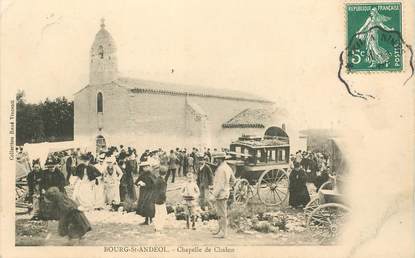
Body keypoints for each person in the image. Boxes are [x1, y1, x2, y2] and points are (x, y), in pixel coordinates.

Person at [212, 156, 235, 238]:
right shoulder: (227, 167)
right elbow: (233, 180)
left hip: (220, 194)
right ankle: (220, 230)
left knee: (222, 214)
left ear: (220, 159)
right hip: (224, 193)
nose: (215, 161)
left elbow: (220, 184)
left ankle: (223, 233)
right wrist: (228, 188)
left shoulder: (221, 169)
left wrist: (213, 195)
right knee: (221, 213)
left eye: (216, 159)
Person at [153, 166, 168, 233]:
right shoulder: (163, 182)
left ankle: (156, 227)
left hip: (155, 199)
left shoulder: (156, 180)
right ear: (165, 173)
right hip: (160, 200)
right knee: (162, 214)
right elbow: (163, 192)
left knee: (157, 214)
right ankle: (160, 228)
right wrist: (164, 199)